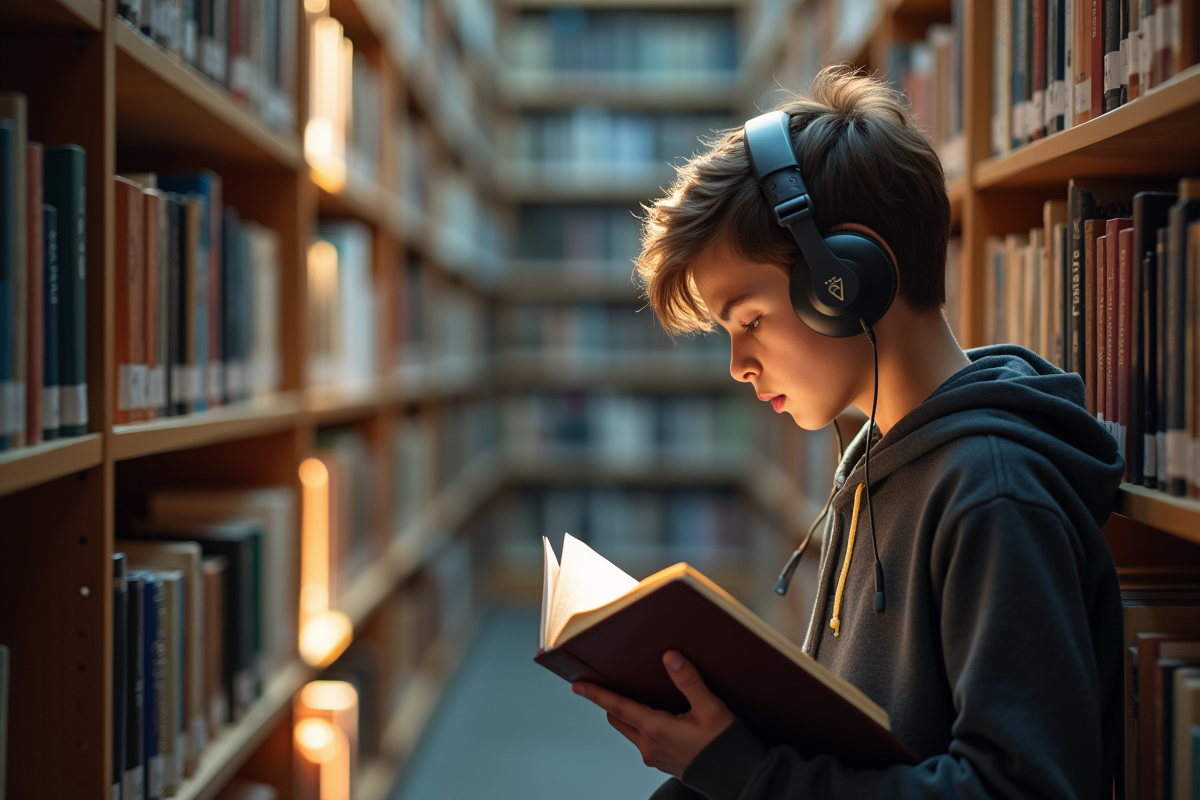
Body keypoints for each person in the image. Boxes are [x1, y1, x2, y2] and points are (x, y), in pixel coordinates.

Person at [569, 66, 1126, 800]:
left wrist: (747, 775)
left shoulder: (992, 492)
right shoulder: (874, 461)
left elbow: (1019, 788)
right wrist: (715, 761)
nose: (737, 365)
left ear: (845, 281)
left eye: (750, 321)